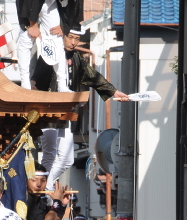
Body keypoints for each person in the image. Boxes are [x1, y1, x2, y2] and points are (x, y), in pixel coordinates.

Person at [36, 32, 128, 186]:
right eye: (70, 37)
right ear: (62, 36)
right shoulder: (50, 53)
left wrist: (113, 91)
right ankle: (42, 188)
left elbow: (93, 76)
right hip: (48, 111)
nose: (73, 42)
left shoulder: (76, 58)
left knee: (67, 159)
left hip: (66, 113)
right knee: (49, 154)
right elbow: (36, 78)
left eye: (77, 39)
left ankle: (46, 186)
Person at [16, 0, 83, 93]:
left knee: (57, 38)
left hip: (51, 1)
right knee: (26, 38)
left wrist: (66, 26)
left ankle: (62, 85)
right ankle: (25, 84)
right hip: (29, 1)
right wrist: (33, 24)